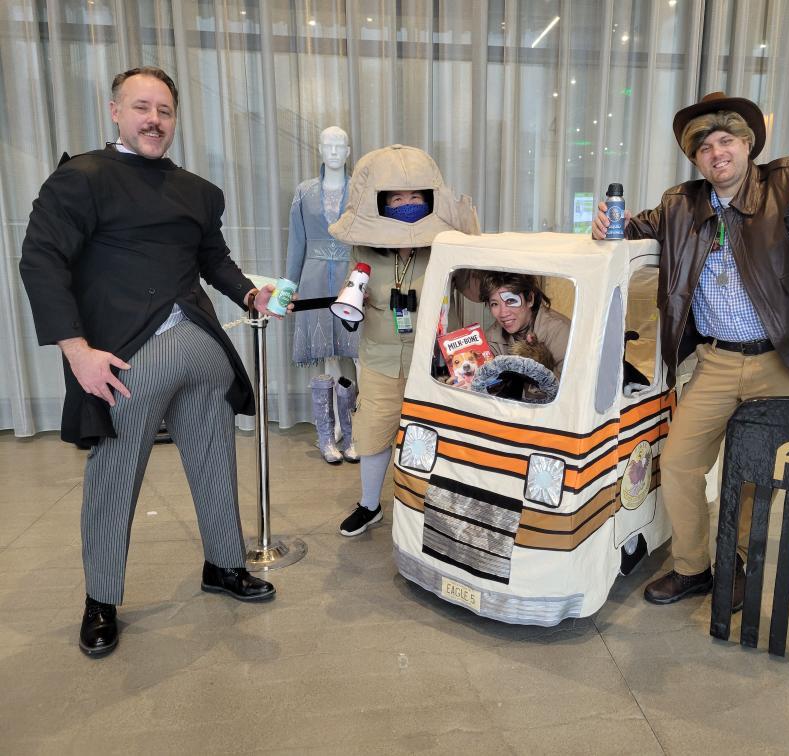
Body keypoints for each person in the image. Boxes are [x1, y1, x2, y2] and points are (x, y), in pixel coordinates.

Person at [19, 66, 285, 658]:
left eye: (164, 111)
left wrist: (247, 294)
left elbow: (214, 260)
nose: (154, 120)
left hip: (201, 349)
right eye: (142, 107)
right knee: (114, 479)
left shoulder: (195, 190)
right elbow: (41, 262)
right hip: (124, 359)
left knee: (216, 461)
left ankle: (223, 565)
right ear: (115, 111)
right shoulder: (80, 179)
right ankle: (101, 600)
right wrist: (77, 351)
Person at [592, 92, 789, 607]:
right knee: (682, 461)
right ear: (696, 157)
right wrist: (605, 227)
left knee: (756, 471)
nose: (717, 153)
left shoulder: (788, 180)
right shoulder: (679, 204)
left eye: (726, 140)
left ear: (747, 144)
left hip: (779, 360)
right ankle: (693, 568)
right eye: (705, 146)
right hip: (714, 361)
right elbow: (633, 231)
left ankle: (738, 560)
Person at [327, 144, 479, 537]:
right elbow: (354, 289)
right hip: (379, 357)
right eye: (397, 197)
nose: (407, 203)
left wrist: (471, 236)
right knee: (374, 432)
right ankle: (370, 504)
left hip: (436, 361)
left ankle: (433, 511)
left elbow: (476, 291)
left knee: (435, 438)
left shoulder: (446, 244)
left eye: (415, 196)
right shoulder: (365, 246)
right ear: (382, 201)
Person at [285, 125, 360, 465]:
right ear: (319, 148)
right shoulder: (305, 192)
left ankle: (354, 429)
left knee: (356, 356)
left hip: (349, 276)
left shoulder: (359, 191)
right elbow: (296, 243)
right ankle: (327, 435)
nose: (333, 151)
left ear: (347, 151)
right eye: (327, 145)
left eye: (339, 145)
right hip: (315, 278)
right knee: (327, 356)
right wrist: (288, 288)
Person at [480, 272, 571, 375]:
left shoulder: (561, 332)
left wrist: (541, 365)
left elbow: (574, 386)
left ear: (530, 299)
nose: (503, 313)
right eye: (495, 304)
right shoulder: (491, 338)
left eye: (510, 301)